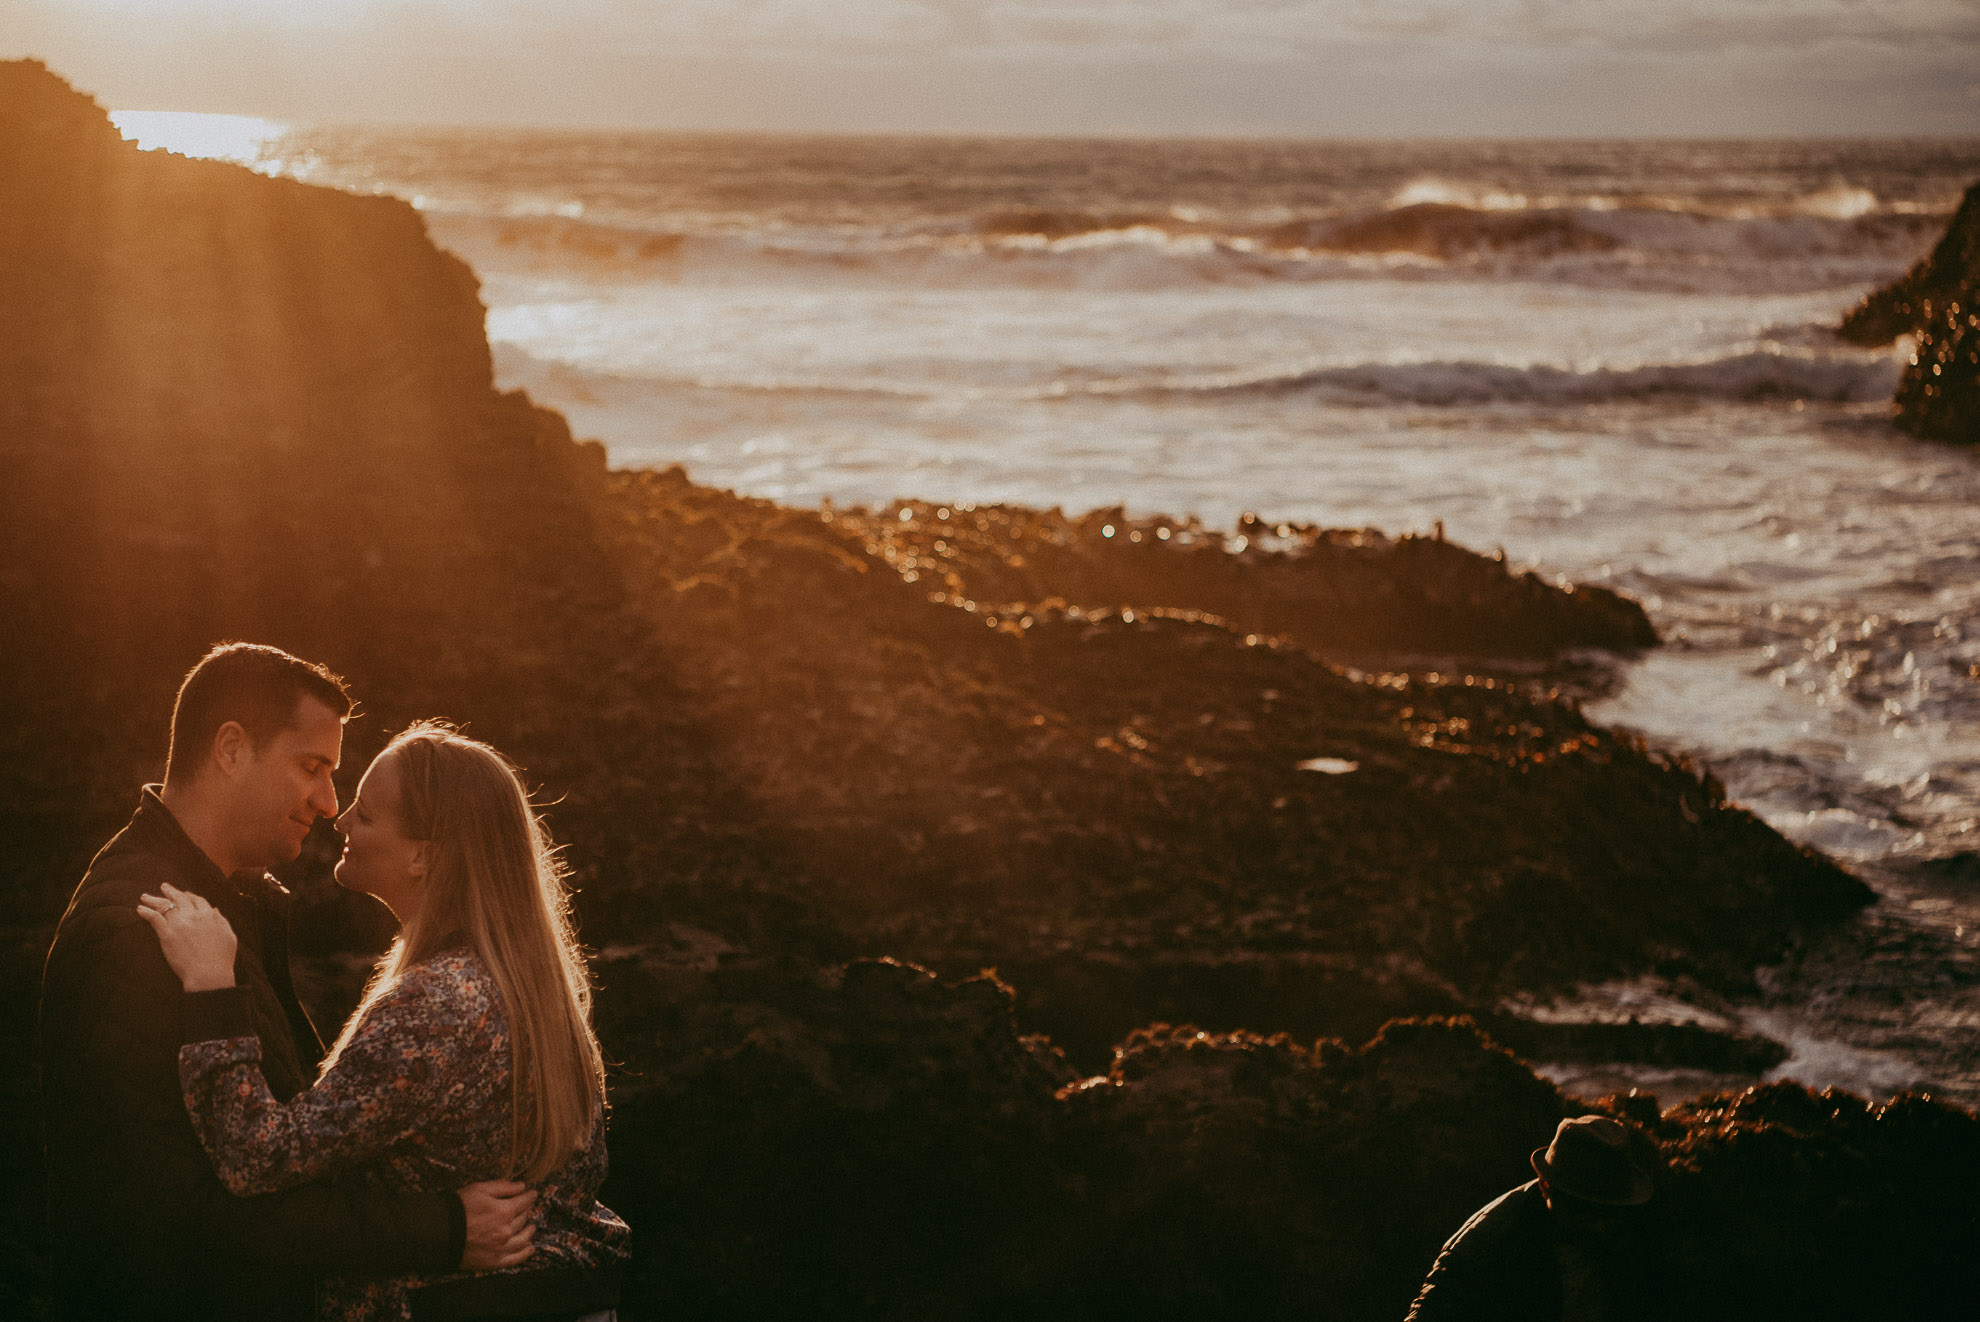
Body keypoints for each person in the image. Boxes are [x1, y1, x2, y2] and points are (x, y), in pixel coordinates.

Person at [39, 642, 539, 1322]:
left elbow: (286, 1151)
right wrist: (442, 1230)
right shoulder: (139, 929)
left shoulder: (230, 911)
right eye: (312, 767)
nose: (328, 801)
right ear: (231, 749)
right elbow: (191, 1211)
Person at [138, 717, 632, 1321]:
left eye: (367, 816)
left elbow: (256, 1159)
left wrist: (212, 989)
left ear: (424, 855)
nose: (341, 819)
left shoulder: (439, 1006)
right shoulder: (527, 987)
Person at [1405, 1114, 1667, 1322]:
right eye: (1583, 1208)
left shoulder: (1639, 1224)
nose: (1598, 1223)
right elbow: (1433, 1309)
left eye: (1608, 1210)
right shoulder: (1487, 1242)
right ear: (1545, 1186)